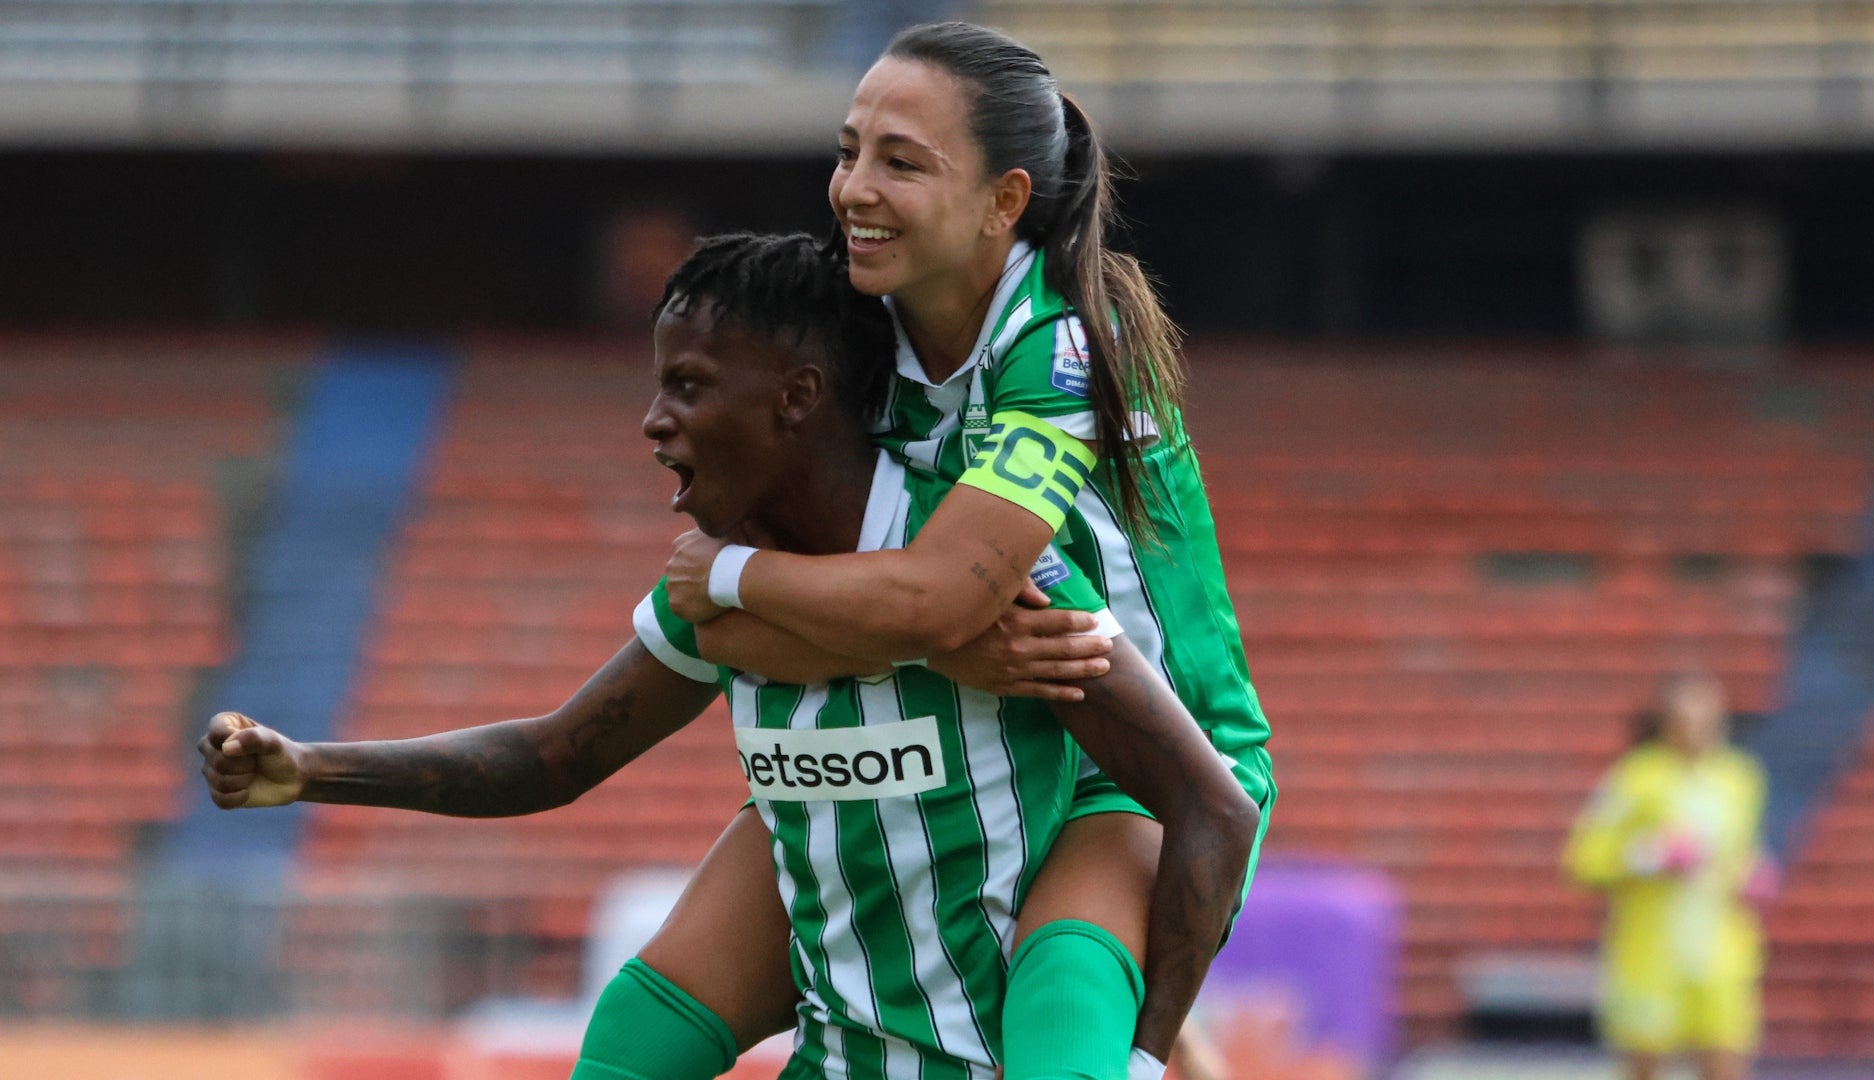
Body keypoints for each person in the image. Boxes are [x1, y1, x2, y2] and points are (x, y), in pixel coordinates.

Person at [198, 233, 1257, 1080]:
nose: (655, 423)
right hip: (853, 1047)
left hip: (1008, 1039)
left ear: (797, 398)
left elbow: (1199, 798)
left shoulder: (981, 573)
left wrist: (1149, 1050)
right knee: (625, 1037)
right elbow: (553, 755)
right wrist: (314, 771)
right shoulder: (711, 581)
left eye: (691, 388)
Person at [664, 22, 1275, 1078]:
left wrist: (727, 577)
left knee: (1075, 1044)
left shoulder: (1071, 345)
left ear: (1005, 201)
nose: (853, 187)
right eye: (848, 149)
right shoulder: (861, 337)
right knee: (648, 1021)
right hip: (981, 731)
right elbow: (870, 623)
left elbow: (943, 596)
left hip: (1139, 770)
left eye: (901, 160)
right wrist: (922, 645)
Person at [1564, 673, 1773, 1080]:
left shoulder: (1739, 779)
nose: (1698, 727)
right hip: (1651, 952)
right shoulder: (1635, 778)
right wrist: (1650, 855)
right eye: (1687, 716)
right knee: (1644, 1066)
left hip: (1721, 948)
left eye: (1707, 716)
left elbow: (1742, 851)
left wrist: (1753, 872)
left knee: (1726, 1062)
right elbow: (1584, 860)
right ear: (1667, 721)